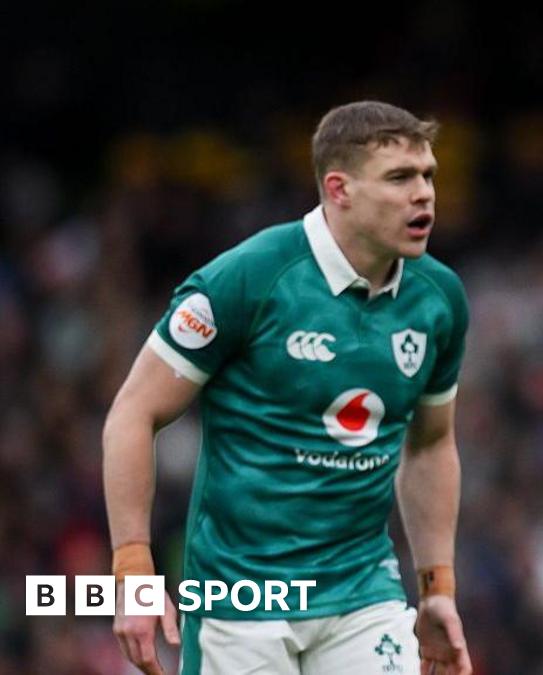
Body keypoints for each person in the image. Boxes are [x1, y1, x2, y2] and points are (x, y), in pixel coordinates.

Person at [102, 101, 472, 675]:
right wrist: (132, 570)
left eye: (427, 176)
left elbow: (429, 444)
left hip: (362, 591)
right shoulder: (247, 279)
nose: (423, 193)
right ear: (339, 189)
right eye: (400, 178)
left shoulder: (439, 298)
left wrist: (437, 586)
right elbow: (133, 412)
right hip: (241, 597)